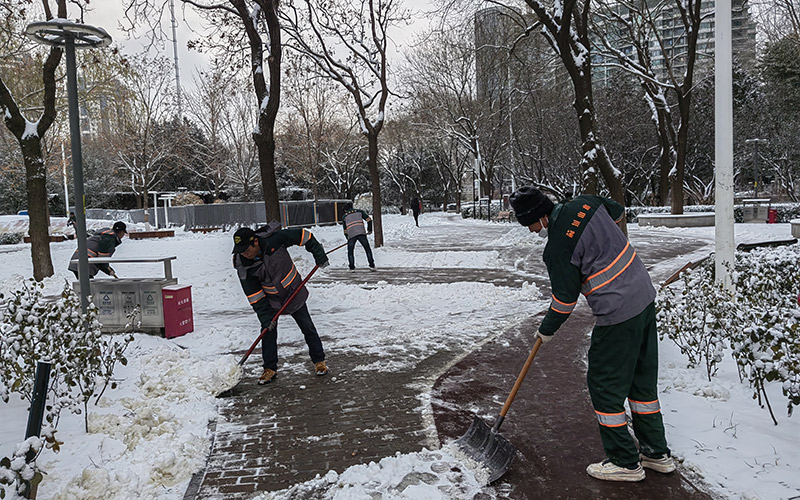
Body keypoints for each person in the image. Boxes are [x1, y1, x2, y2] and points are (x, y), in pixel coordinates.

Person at [509, 186, 674, 482]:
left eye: (530, 224)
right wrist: (607, 245)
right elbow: (619, 212)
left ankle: (625, 462)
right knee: (641, 382)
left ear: (538, 217)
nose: (533, 232)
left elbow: (563, 301)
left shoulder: (557, 248)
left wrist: (546, 330)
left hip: (617, 313)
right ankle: (655, 453)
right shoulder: (587, 204)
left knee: (604, 384)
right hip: (644, 297)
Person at [232, 222, 330, 384]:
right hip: (271, 301)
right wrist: (266, 318)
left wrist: (319, 254)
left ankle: (319, 361)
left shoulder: (274, 240)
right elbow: (254, 295)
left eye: (246, 250)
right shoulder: (243, 265)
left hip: (293, 293)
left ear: (255, 241)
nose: (244, 254)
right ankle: (269, 369)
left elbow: (304, 236)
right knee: (267, 331)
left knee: (307, 327)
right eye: (240, 251)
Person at [341, 207, 376, 271]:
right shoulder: (359, 212)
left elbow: (345, 230)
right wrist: (370, 230)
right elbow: (369, 219)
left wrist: (347, 238)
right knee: (367, 249)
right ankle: (372, 266)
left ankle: (352, 268)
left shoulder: (344, 216)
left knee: (350, 252)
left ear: (345, 210)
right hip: (361, 232)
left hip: (351, 234)